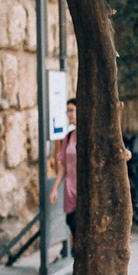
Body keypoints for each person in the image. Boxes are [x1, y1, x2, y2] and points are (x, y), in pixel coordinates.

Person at [49, 98, 79, 236]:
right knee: (72, 224)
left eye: (72, 110)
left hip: (85, 190)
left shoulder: (90, 136)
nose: (69, 114)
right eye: (68, 111)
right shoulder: (68, 137)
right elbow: (63, 167)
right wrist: (54, 189)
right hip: (71, 190)